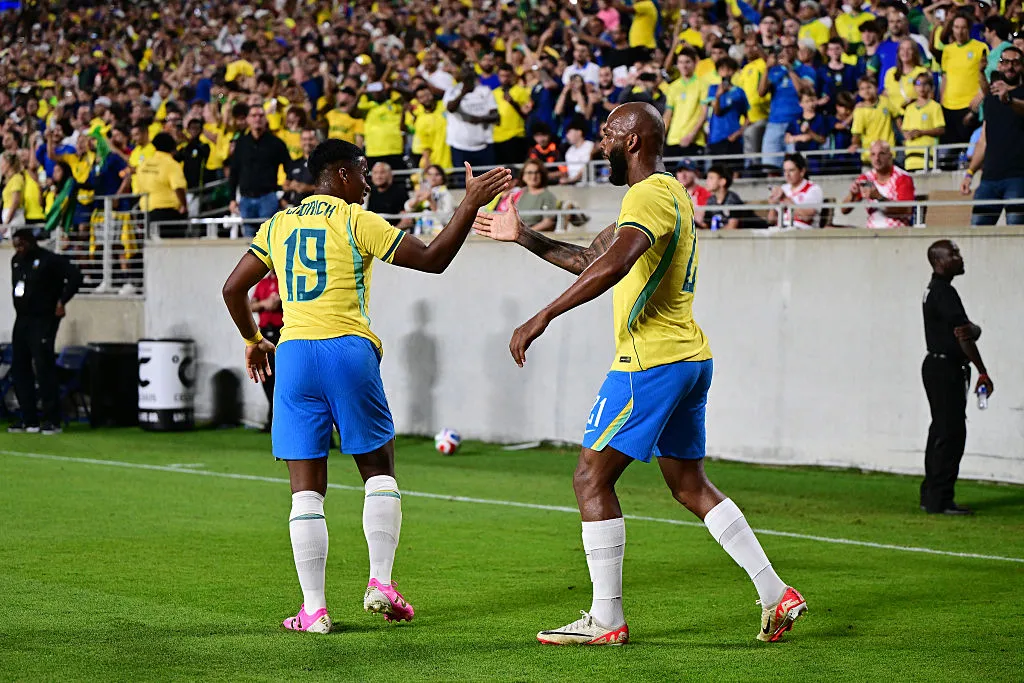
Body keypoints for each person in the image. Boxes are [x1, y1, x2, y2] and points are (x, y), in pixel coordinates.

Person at [472, 102, 806, 646]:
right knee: (689, 484)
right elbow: (591, 257)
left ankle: (606, 618)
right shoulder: (668, 194)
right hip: (689, 357)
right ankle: (775, 593)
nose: (600, 142)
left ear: (632, 141)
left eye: (607, 135)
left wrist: (543, 316)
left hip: (648, 362)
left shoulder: (646, 195)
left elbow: (615, 263)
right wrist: (524, 236)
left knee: (589, 478)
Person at [221, 140, 511, 634]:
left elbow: (232, 288)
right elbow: (434, 258)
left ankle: (313, 610)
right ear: (338, 174)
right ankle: (380, 583)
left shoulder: (278, 224)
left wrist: (253, 339)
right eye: (361, 172)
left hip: (293, 354)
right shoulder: (356, 220)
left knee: (305, 494)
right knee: (378, 471)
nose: (369, 182)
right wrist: (468, 204)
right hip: (347, 351)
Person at [920, 240, 993, 515]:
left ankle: (930, 495)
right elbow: (963, 334)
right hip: (945, 367)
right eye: (954, 254)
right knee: (951, 432)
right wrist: (983, 370)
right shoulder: (945, 292)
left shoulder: (932, 290)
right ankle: (940, 499)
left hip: (935, 366)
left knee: (940, 429)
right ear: (939, 261)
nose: (960, 258)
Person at [7, 228, 82, 435]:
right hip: (22, 319)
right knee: (19, 367)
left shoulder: (50, 260)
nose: (19, 249)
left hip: (43, 319)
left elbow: (76, 277)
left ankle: (51, 419)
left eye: (22, 245)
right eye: (16, 245)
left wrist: (62, 301)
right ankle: (28, 418)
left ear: (31, 242)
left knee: (43, 366)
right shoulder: (16, 261)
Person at [960, 46, 1024, 225]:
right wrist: (970, 173)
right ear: (999, 65)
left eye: (1015, 62)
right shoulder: (990, 99)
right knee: (978, 233)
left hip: (1018, 178)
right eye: (1005, 62)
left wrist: (1009, 100)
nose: (1010, 67)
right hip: (989, 179)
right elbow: (983, 141)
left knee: (1017, 235)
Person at [229, 105, 291, 236]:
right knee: (249, 242)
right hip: (245, 199)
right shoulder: (241, 143)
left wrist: (285, 195)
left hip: (268, 197)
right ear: (248, 120)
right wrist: (232, 198)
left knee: (268, 239)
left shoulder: (276, 143)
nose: (257, 119)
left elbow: (289, 169)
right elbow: (234, 171)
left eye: (261, 115)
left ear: (266, 119)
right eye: (254, 115)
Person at [758, 35, 817, 169]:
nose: (786, 51)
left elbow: (801, 91)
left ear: (796, 49)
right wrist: (767, 68)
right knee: (769, 165)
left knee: (795, 167)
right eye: (783, 48)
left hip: (796, 123)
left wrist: (790, 69)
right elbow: (761, 92)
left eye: (790, 47)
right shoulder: (774, 70)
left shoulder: (806, 70)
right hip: (774, 122)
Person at [841, 141, 916, 228]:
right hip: (872, 233)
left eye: (881, 154)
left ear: (890, 156)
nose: (877, 158)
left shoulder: (902, 178)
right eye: (873, 154)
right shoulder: (866, 178)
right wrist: (852, 195)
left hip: (897, 232)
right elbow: (844, 210)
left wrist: (879, 198)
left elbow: (906, 210)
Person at [444, 64, 500, 169]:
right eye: (465, 73)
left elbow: (495, 115)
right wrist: (463, 92)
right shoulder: (452, 90)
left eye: (470, 73)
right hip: (459, 146)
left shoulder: (485, 90)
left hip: (484, 145)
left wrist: (479, 119)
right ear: (461, 75)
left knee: (486, 182)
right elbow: (450, 108)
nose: (468, 76)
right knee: (464, 182)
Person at [136, 133, 188, 238]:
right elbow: (178, 187)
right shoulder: (172, 164)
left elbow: (138, 188)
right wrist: (184, 205)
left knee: (151, 247)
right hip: (167, 212)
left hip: (146, 210)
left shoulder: (144, 164)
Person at [250, 270, 283, 432]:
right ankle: (272, 417)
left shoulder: (286, 279)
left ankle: (281, 418)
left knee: (282, 376)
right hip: (265, 333)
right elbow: (251, 305)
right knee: (266, 376)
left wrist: (279, 302)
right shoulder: (262, 283)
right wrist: (264, 304)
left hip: (281, 333)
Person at [900, 73, 946, 172]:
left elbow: (941, 129)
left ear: (930, 87)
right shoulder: (909, 108)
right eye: (918, 83)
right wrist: (908, 134)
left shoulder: (935, 107)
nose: (922, 87)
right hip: (911, 159)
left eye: (925, 84)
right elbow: (904, 130)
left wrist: (921, 132)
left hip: (928, 159)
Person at [767, 152, 824, 229]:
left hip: (803, 232)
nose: (787, 174)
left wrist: (784, 199)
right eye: (785, 171)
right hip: (781, 230)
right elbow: (771, 221)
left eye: (791, 170)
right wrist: (772, 206)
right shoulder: (783, 188)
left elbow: (807, 217)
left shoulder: (813, 189)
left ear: (802, 172)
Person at [403, 164, 455, 234]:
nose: (433, 178)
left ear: (443, 178)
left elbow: (446, 219)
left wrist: (430, 200)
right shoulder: (423, 190)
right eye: (429, 174)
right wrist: (416, 199)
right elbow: (407, 208)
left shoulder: (446, 194)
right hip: (420, 230)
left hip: (439, 233)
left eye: (437, 174)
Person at [513, 159, 560, 232]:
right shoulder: (520, 194)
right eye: (529, 172)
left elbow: (548, 222)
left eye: (537, 172)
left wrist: (527, 232)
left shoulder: (547, 196)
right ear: (523, 176)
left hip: (535, 236)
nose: (533, 176)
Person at [283, 129, 318, 207]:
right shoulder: (294, 163)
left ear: (316, 140)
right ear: (300, 142)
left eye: (310, 139)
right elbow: (285, 185)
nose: (307, 142)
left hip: (315, 209)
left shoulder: (323, 163)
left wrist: (308, 188)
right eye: (304, 139)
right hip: (295, 210)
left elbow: (329, 187)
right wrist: (292, 186)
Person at [1, 152, 26, 234]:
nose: (0, 166)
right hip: (10, 220)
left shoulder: (16, 178)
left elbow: (15, 202)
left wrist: (6, 223)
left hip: (14, 220)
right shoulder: (10, 180)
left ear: (8, 164)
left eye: (2, 163)